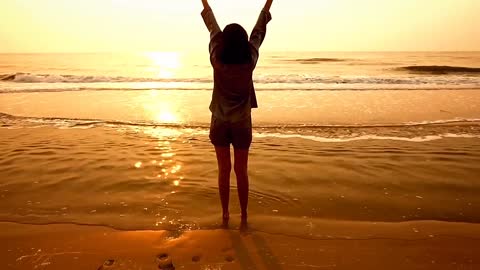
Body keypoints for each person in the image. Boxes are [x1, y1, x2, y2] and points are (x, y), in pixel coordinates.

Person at [201, 0, 273, 224]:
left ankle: (225, 214)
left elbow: (213, 28)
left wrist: (204, 2)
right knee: (241, 170)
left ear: (223, 43)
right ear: (243, 43)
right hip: (242, 123)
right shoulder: (249, 59)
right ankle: (243, 215)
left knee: (224, 170)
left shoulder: (216, 58)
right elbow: (257, 32)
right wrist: (268, 4)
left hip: (219, 122)